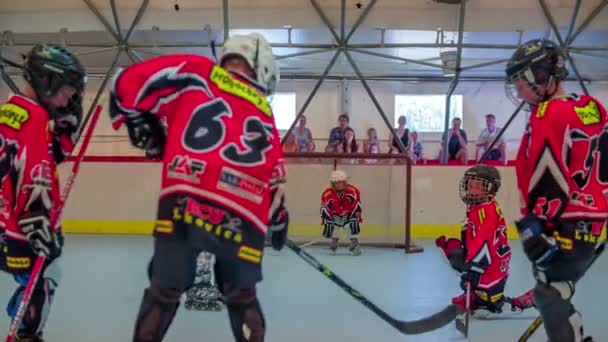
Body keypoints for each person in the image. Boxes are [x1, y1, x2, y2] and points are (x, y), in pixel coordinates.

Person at [108, 33, 289, 342]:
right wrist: (278, 215)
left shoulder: (197, 71)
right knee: (242, 296)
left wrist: (143, 126)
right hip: (244, 209)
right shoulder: (264, 109)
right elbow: (274, 175)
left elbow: (123, 84)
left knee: (164, 291)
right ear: (265, 69)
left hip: (186, 195)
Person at [506, 38, 608, 341]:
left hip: (563, 225)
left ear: (542, 74)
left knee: (550, 294)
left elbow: (546, 171)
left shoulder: (545, 114)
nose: (518, 90)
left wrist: (538, 223)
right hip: (592, 226)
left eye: (521, 80)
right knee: (551, 292)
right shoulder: (593, 108)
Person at [0, 44, 86, 341]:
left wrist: (63, 134)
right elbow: (32, 176)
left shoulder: (11, 112)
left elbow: (40, 160)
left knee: (34, 281)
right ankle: (26, 333)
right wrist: (39, 227)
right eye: (67, 90)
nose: (69, 98)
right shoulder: (35, 117)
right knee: (43, 280)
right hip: (20, 227)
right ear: (46, 80)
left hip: (5, 222)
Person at [435, 166, 534, 318]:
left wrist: (474, 270)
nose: (472, 189)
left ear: (491, 188)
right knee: (449, 251)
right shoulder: (480, 204)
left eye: (479, 186)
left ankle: (515, 303)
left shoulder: (486, 212)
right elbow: (475, 237)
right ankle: (475, 297)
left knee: (490, 304)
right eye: (470, 184)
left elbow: (484, 242)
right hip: (487, 258)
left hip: (491, 264)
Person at [320, 170, 363, 256]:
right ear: (333, 183)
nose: (339, 185)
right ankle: (334, 245)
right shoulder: (327, 193)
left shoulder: (353, 191)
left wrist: (355, 216)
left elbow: (357, 205)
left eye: (341, 182)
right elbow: (324, 207)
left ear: (345, 182)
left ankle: (355, 245)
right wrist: (327, 220)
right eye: (337, 183)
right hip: (335, 216)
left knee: (351, 228)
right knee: (334, 229)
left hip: (348, 216)